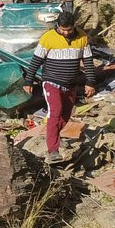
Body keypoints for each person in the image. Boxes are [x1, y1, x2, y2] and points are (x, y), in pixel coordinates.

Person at [22, 12, 96, 163]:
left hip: (70, 84)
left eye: (69, 30)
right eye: (63, 30)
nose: (66, 33)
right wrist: (28, 81)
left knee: (66, 114)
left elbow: (88, 61)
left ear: (74, 26)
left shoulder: (82, 37)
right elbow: (36, 61)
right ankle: (53, 150)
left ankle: (56, 136)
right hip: (51, 82)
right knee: (55, 113)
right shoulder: (48, 37)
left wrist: (91, 82)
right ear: (58, 26)